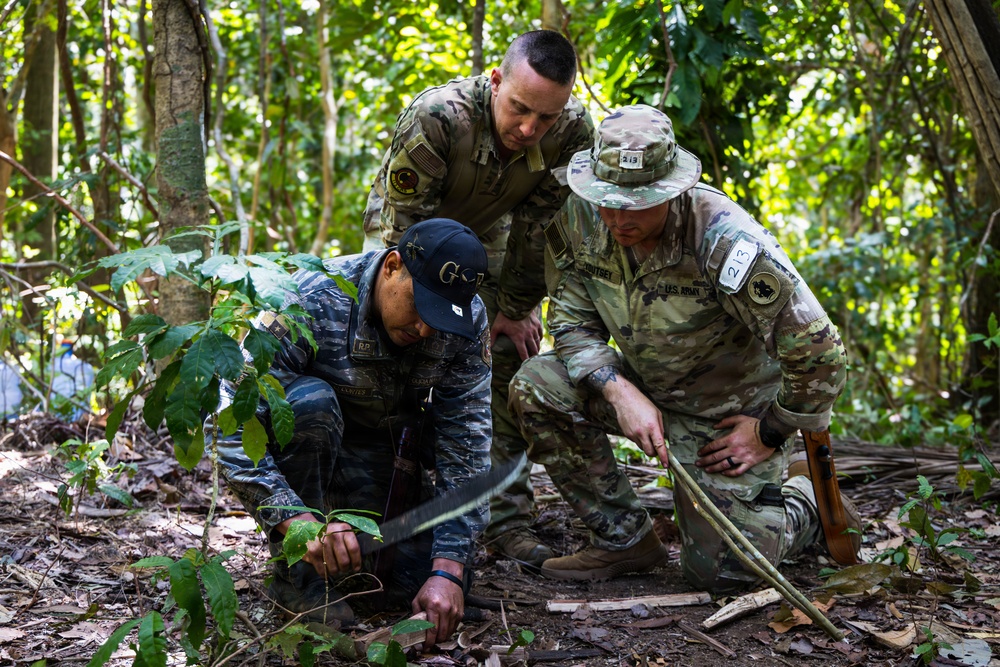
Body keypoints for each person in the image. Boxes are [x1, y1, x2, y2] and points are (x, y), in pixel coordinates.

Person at [509, 105, 859, 592]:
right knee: (536, 386)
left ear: (672, 191)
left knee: (729, 576)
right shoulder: (582, 217)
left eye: (635, 205)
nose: (616, 217)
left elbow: (819, 352)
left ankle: (807, 504)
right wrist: (615, 389)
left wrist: (771, 431)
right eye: (607, 201)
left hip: (726, 421)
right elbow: (570, 323)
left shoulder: (724, 239)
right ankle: (622, 540)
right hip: (642, 395)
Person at [362, 30, 594, 567]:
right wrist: (431, 315)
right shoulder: (440, 117)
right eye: (518, 109)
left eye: (546, 118)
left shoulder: (572, 132)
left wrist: (511, 311)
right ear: (495, 81)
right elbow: (406, 236)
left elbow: (540, 231)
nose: (529, 129)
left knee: (507, 356)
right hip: (409, 236)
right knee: (404, 344)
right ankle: (384, 502)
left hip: (490, 237)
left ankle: (503, 520)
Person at [218, 219, 491, 647]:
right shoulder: (309, 296)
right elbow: (231, 421)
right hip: (312, 452)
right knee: (309, 402)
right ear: (392, 266)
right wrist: (296, 522)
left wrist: (448, 568)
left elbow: (467, 444)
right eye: (421, 307)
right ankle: (298, 578)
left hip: (389, 455)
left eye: (440, 319)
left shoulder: (467, 322)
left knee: (415, 588)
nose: (424, 330)